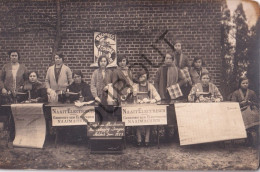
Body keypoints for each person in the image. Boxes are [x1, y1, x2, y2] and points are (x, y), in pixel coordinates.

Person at [133, 70, 161, 146]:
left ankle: (147, 140)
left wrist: (153, 100)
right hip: (138, 109)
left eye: (144, 76)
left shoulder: (150, 86)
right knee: (137, 122)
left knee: (148, 122)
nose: (142, 78)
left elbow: (158, 97)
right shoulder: (135, 86)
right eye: (141, 76)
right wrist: (134, 96)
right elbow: (130, 99)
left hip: (148, 108)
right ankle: (139, 139)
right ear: (138, 78)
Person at [231, 77, 259, 146]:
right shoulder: (236, 93)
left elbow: (258, 104)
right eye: (243, 83)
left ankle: (253, 134)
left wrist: (250, 103)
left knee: (254, 115)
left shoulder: (252, 93)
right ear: (240, 84)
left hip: (251, 110)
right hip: (240, 111)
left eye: (246, 83)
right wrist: (240, 104)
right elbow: (232, 104)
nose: (245, 84)